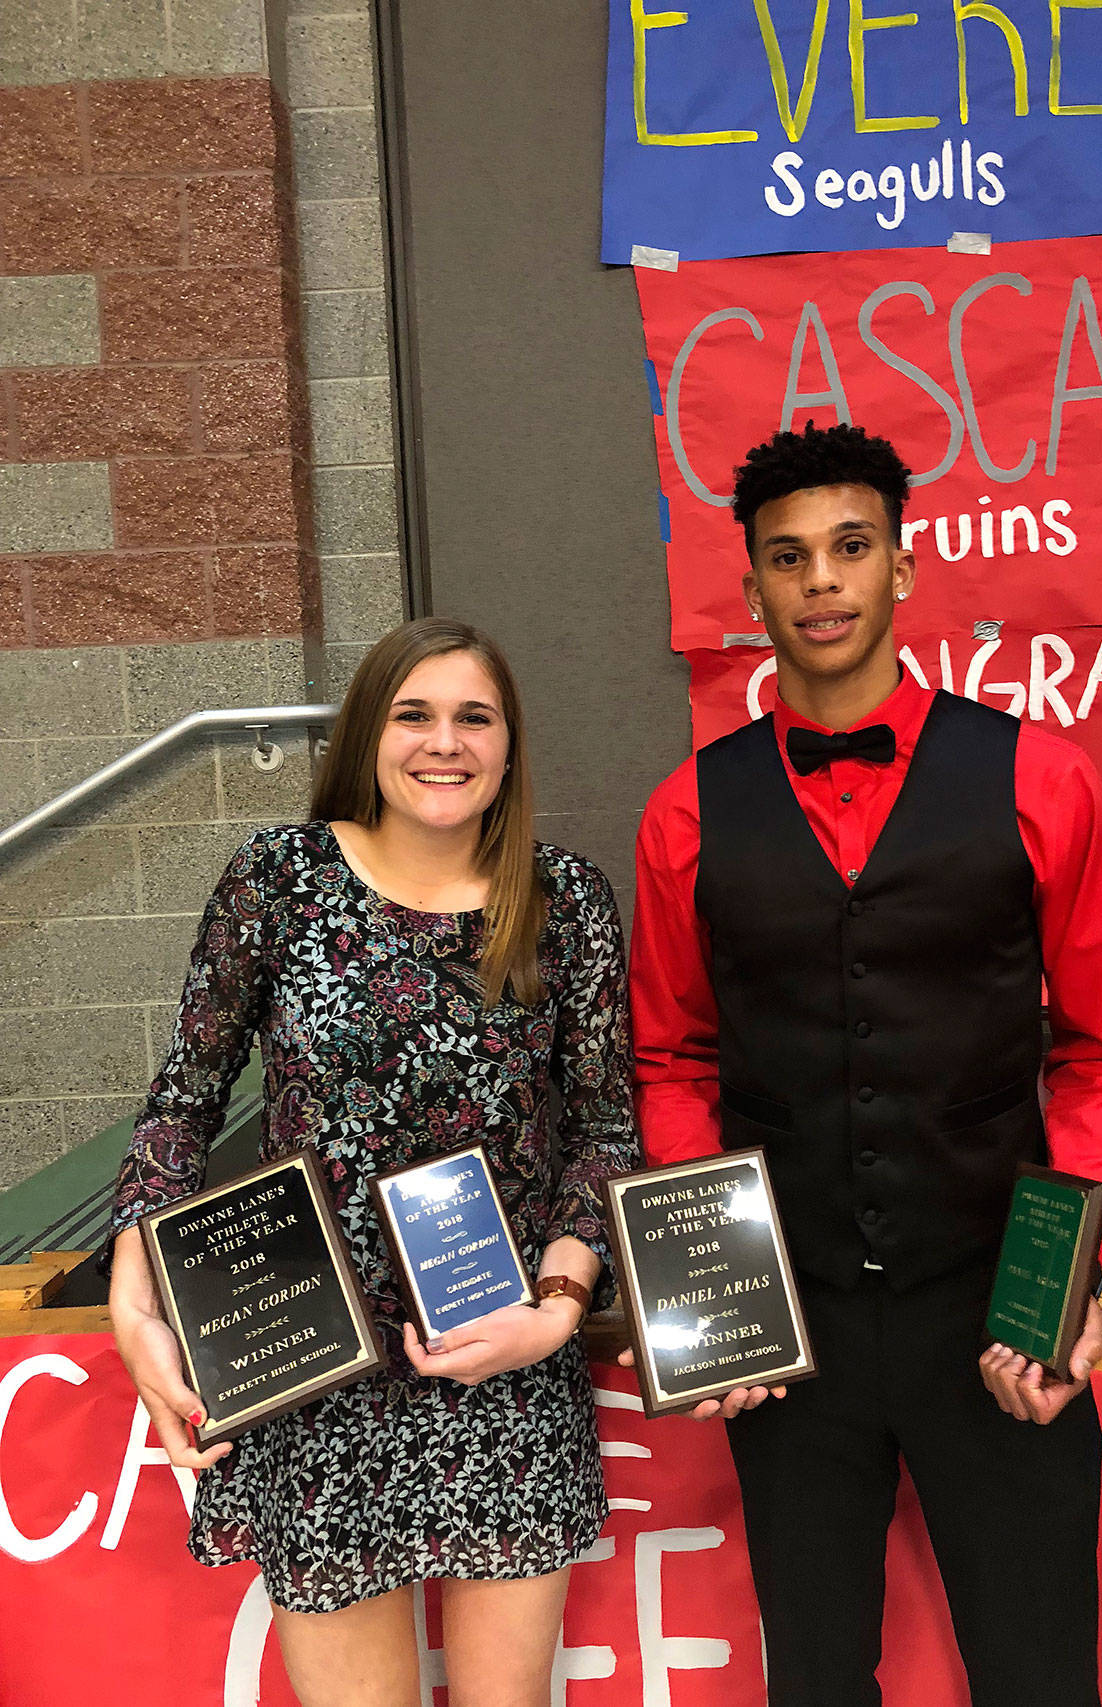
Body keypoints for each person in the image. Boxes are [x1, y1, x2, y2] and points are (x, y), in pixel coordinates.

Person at [629, 422, 1102, 1707]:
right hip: (793, 1323)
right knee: (814, 1679)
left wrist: (1062, 1280)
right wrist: (719, 1293)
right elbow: (670, 1061)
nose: (819, 580)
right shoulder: (684, 813)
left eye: (848, 548)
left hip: (990, 1304)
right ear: (750, 589)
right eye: (786, 558)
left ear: (902, 568)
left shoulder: (1040, 780)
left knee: (1040, 1674)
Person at [108, 617, 639, 1707]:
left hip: (502, 1353)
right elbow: (184, 1099)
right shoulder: (279, 879)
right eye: (414, 714)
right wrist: (133, 1292)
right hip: (311, 1361)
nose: (443, 743)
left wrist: (554, 1304)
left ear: (507, 746)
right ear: (369, 732)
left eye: (472, 718)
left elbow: (603, 1134)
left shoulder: (566, 901)